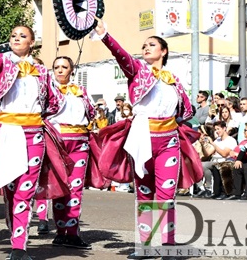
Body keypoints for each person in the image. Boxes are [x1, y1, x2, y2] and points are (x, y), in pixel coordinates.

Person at [0, 12, 63, 260]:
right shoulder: (2, 63)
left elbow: (54, 102)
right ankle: (155, 243)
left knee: (26, 189)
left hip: (34, 133)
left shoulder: (43, 71)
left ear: (32, 41)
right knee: (12, 189)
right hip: (7, 132)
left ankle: (19, 247)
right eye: (13, 35)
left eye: (22, 35)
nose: (16, 38)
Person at [93, 18, 196, 259]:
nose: (146, 48)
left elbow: (186, 111)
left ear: (164, 51)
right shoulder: (137, 71)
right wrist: (105, 35)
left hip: (169, 139)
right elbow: (120, 56)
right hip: (142, 138)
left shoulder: (174, 80)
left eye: (152, 44)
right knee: (144, 194)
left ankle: (169, 245)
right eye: (144, 45)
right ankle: (146, 247)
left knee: (166, 194)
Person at [43, 56, 97, 250]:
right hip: (56, 142)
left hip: (80, 142)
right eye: (56, 67)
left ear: (71, 70)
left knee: (75, 188)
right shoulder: (47, 90)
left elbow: (91, 113)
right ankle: (60, 232)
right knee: (58, 187)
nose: (60, 70)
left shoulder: (81, 91)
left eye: (64, 67)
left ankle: (72, 233)